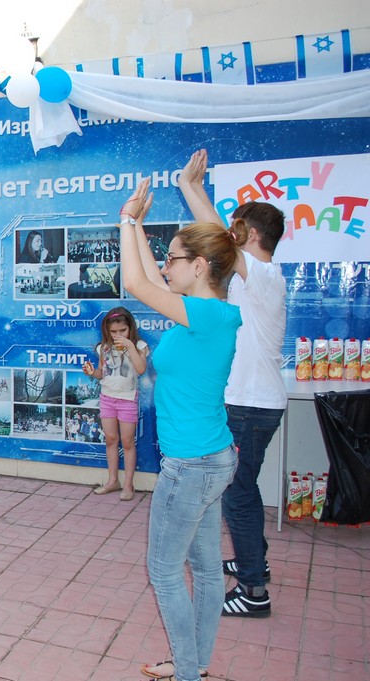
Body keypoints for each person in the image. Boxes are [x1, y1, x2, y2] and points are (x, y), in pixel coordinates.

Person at [119, 179, 242, 681]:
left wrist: (124, 221)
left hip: (191, 466)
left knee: (164, 572)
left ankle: (188, 672)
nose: (165, 265)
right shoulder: (207, 315)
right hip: (210, 460)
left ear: (200, 266)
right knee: (207, 571)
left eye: (172, 258)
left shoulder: (207, 315)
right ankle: (195, 665)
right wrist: (138, 226)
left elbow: (135, 284)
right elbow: (151, 279)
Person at [178, 149, 286, 618]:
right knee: (244, 489)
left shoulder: (262, 275)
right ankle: (252, 560)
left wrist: (190, 187)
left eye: (237, 227)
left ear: (251, 234)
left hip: (250, 406)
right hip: (250, 404)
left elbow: (219, 237)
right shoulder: (252, 279)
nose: (230, 233)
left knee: (237, 494)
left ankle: (253, 591)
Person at [82, 306, 148, 501]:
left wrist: (130, 346)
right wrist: (91, 372)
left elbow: (141, 369)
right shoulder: (103, 348)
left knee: (127, 441)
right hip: (107, 398)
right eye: (113, 332)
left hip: (127, 398)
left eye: (123, 330)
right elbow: (103, 373)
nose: (118, 335)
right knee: (110, 439)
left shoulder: (139, 346)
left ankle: (128, 484)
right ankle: (113, 481)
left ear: (130, 328)